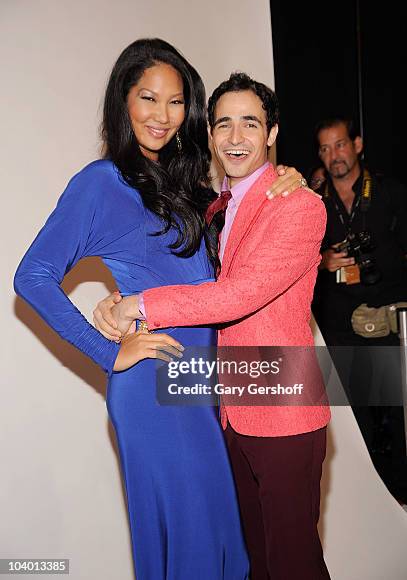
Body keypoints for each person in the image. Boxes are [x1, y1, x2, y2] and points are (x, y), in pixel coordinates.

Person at [13, 39, 303, 579]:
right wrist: (106, 352)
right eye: (148, 98)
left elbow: (222, 275)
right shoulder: (100, 182)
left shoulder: (189, 185)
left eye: (176, 103)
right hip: (152, 389)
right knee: (193, 548)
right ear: (124, 101)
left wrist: (287, 177)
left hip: (203, 389)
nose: (162, 116)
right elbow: (32, 277)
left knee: (225, 548)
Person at [94, 73, 331, 580]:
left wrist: (138, 305)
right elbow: (179, 272)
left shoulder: (299, 205)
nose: (235, 136)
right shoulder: (211, 206)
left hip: (284, 413)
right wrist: (115, 297)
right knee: (256, 563)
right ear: (209, 135)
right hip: (229, 412)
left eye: (250, 123)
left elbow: (238, 295)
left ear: (271, 134)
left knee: (294, 564)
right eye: (223, 124)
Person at [311, 116, 407, 501]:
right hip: (341, 329)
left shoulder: (390, 192)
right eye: (325, 148)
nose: (333, 155)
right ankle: (372, 503)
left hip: (388, 324)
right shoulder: (313, 203)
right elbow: (293, 261)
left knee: (398, 418)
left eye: (340, 145)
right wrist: (322, 261)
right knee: (357, 424)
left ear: (357, 145)